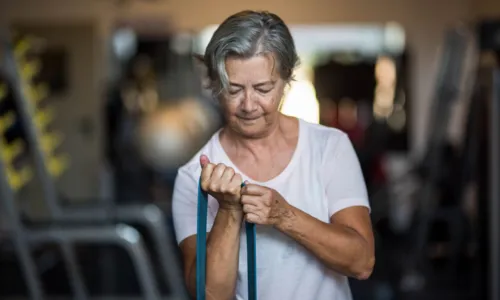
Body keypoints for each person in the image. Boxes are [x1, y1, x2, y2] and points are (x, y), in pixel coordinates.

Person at [172, 10, 375, 300]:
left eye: (263, 89)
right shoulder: (194, 177)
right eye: (234, 90)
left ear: (286, 81)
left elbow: (362, 262)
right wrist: (229, 211)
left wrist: (284, 215)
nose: (248, 105)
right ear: (216, 85)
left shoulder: (329, 147)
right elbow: (210, 296)